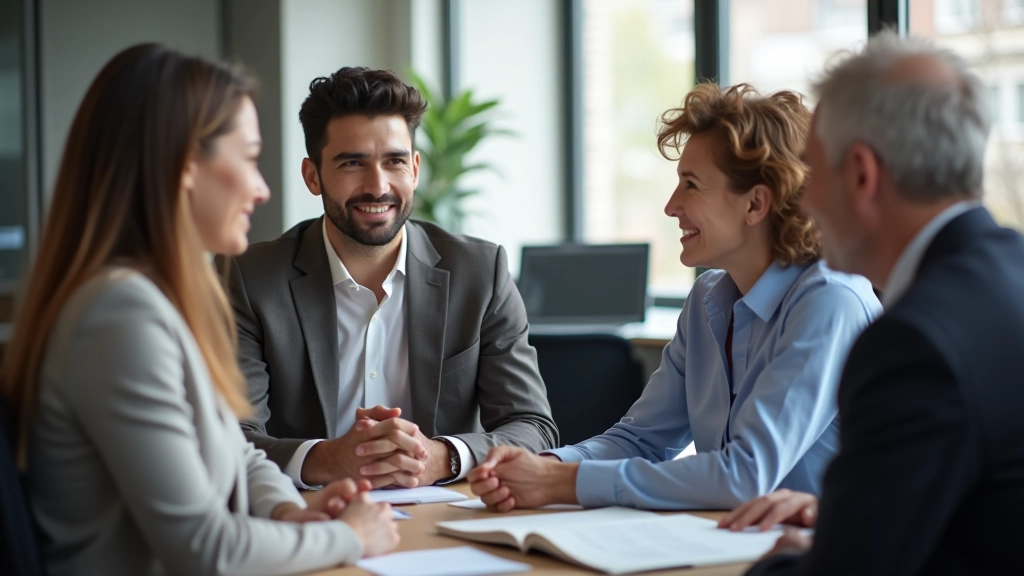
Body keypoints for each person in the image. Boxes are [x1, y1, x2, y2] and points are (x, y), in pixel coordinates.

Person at [0, 44, 398, 576]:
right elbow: (205, 549)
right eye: (250, 159)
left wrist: (290, 512)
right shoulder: (119, 316)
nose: (261, 189)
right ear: (185, 166)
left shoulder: (157, 299)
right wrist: (348, 536)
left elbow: (237, 452)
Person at [468, 83, 881, 511]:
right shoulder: (707, 299)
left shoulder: (830, 302)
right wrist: (541, 466)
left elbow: (745, 476)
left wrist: (562, 482)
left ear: (756, 204)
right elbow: (639, 439)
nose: (671, 206)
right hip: (732, 538)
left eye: (691, 185)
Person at [724, 32, 1024, 576]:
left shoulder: (912, 342)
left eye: (813, 173)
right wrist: (845, 514)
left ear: (861, 174)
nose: (804, 204)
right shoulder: (1009, 274)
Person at [222, 66, 557, 491]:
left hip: (445, 514)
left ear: (414, 168)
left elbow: (532, 427)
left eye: (394, 161)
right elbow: (229, 437)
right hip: (311, 511)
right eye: (352, 163)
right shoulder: (250, 279)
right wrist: (327, 460)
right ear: (312, 176)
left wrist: (441, 457)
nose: (377, 186)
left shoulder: (480, 272)